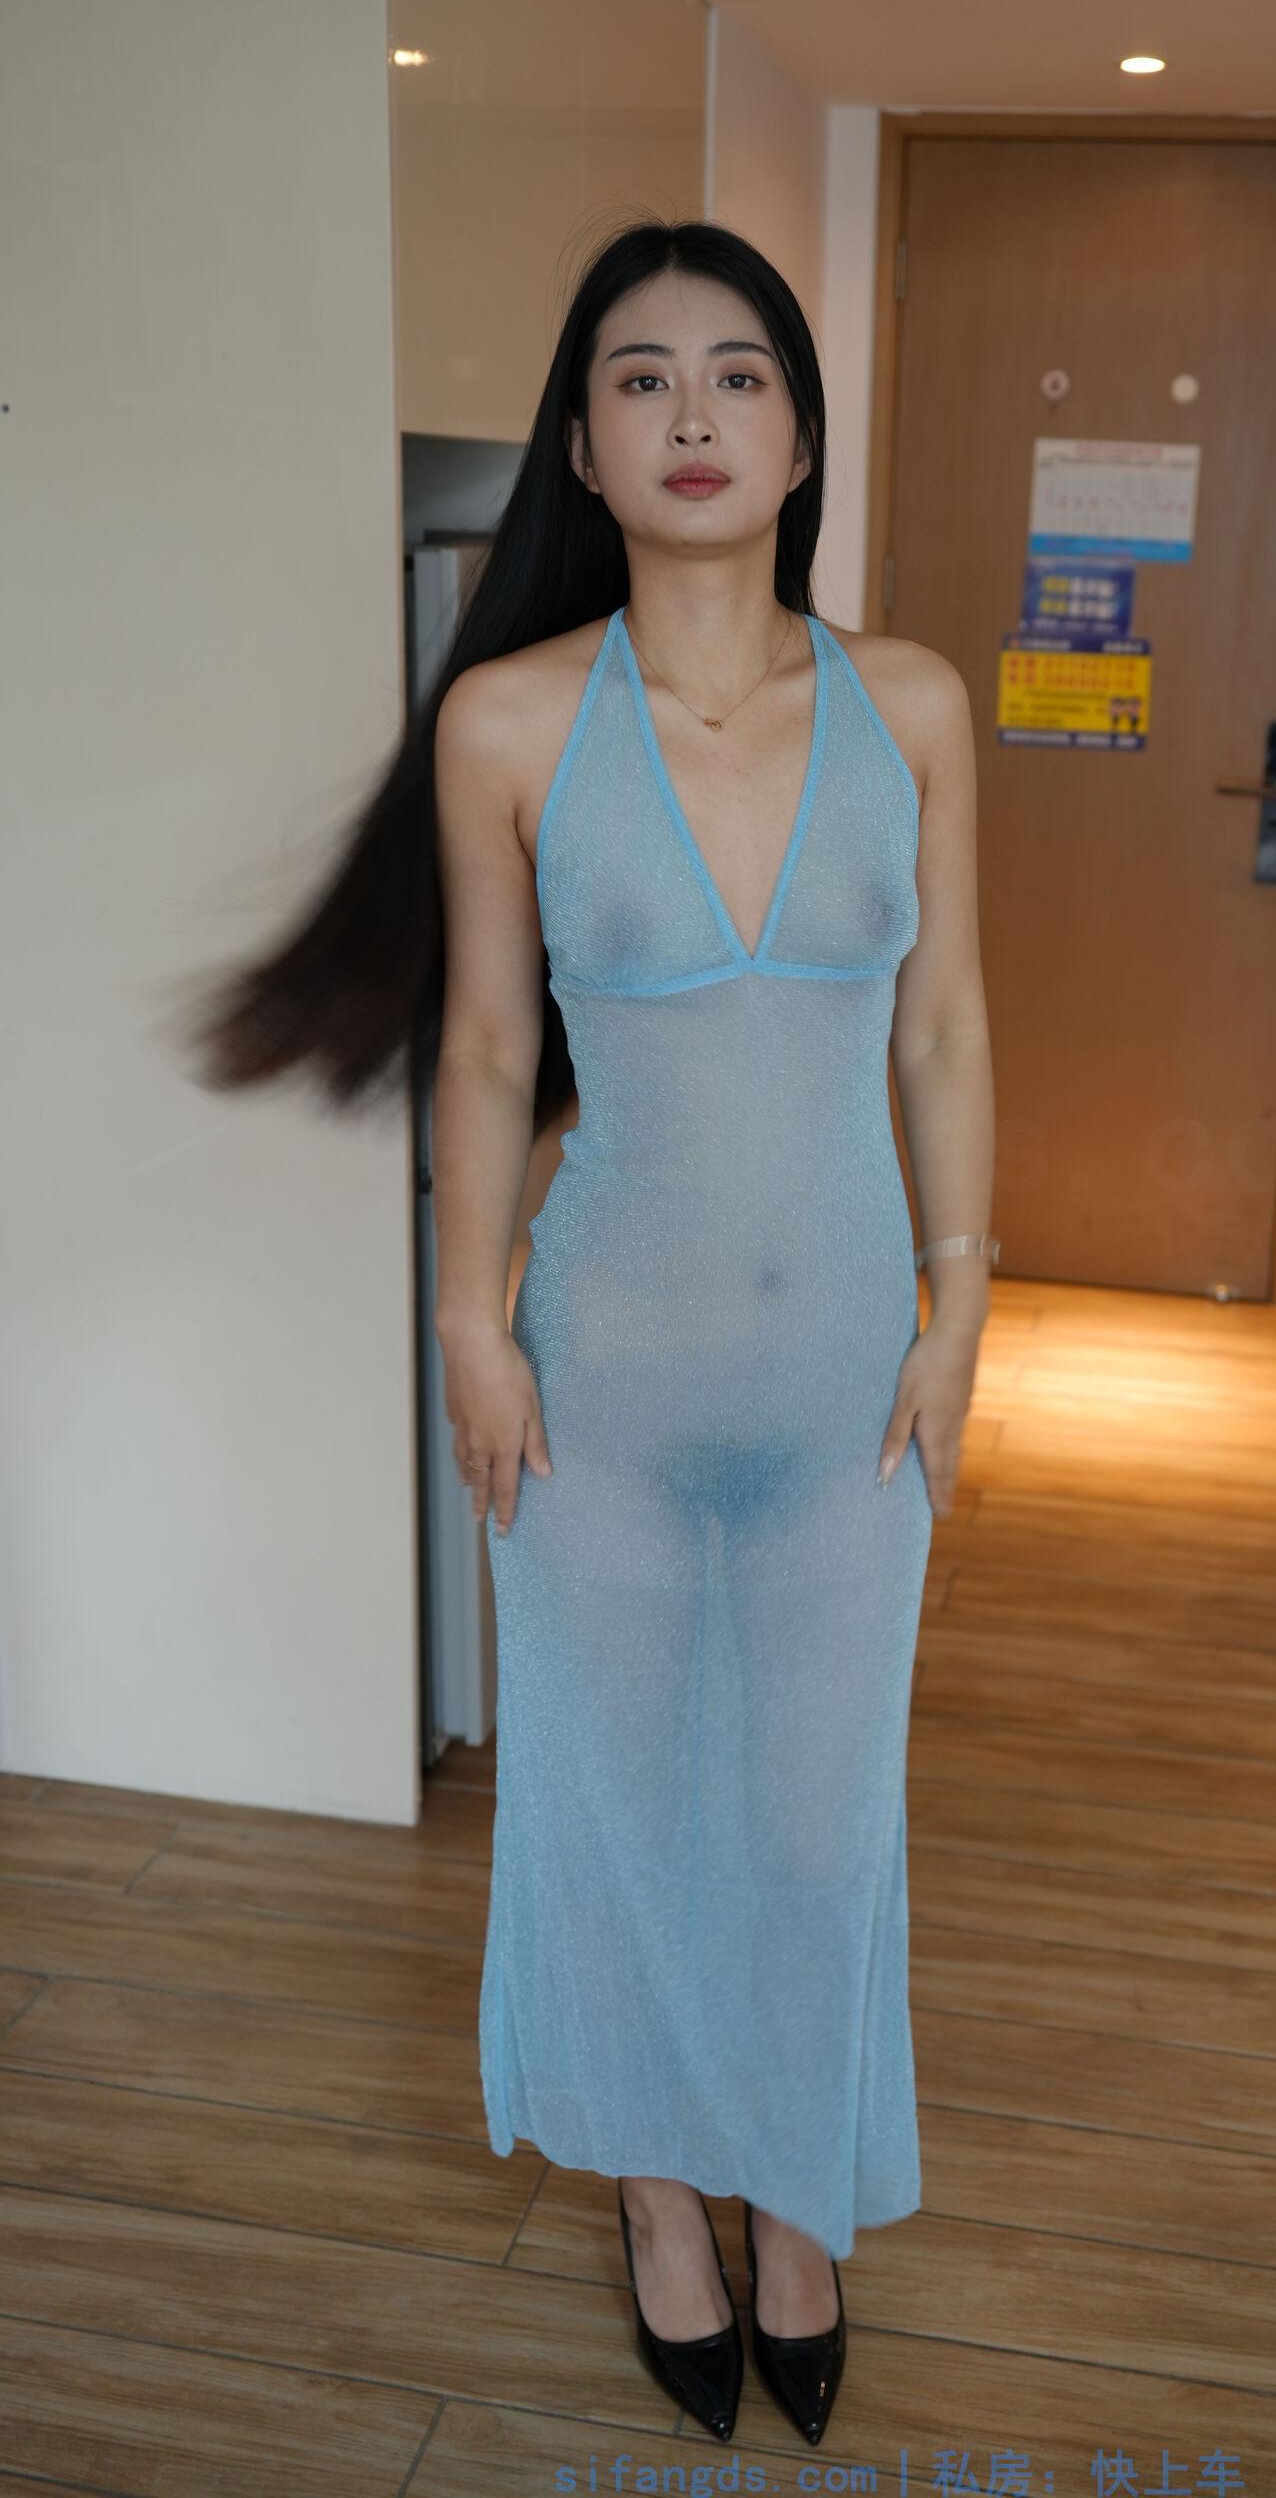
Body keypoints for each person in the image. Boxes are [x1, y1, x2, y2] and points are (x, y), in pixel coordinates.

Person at [188, 218, 995, 2449]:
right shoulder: (513, 720)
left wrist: (965, 1300)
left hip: (846, 1385)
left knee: (820, 1823)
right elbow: (478, 1051)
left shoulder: (915, 705)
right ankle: (659, 2200)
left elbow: (943, 1028)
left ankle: (798, 2201)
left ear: (802, 435)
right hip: (600, 1385)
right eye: (641, 379)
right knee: (613, 1805)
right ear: (581, 443)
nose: (693, 416)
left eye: (739, 376)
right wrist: (469, 1322)